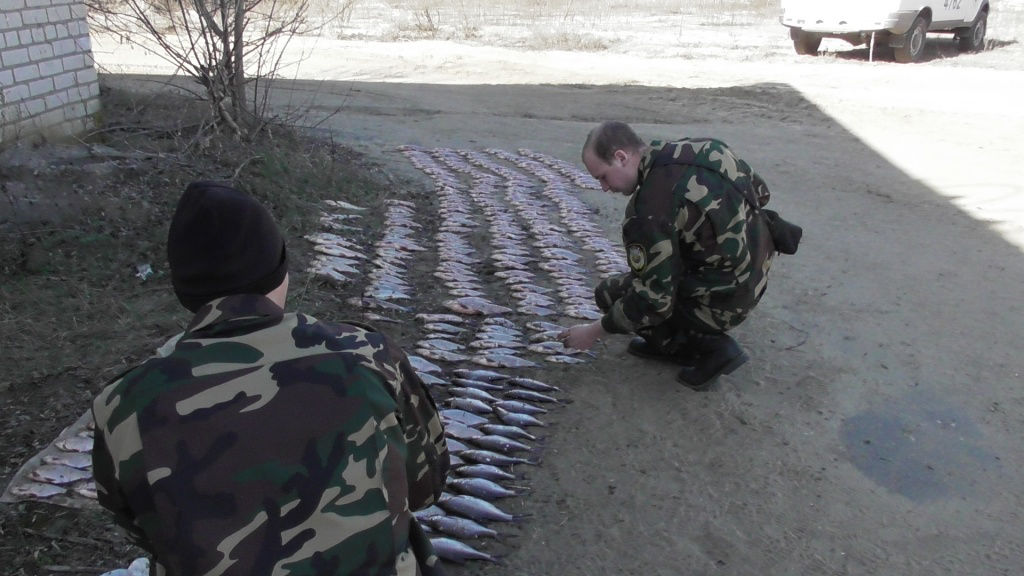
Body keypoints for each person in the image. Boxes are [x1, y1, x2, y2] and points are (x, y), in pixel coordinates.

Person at [91, 181, 450, 576]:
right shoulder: (368, 355)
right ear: (279, 272)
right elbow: (425, 486)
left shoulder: (123, 404)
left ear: (185, 291)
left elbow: (144, 528)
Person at [560, 121, 780, 390]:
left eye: (602, 177)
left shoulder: (648, 209)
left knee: (611, 294)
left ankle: (708, 349)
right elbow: (762, 194)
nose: (604, 188)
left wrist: (592, 333)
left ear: (621, 157)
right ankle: (687, 335)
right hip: (757, 273)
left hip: (728, 299)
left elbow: (652, 299)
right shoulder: (705, 148)